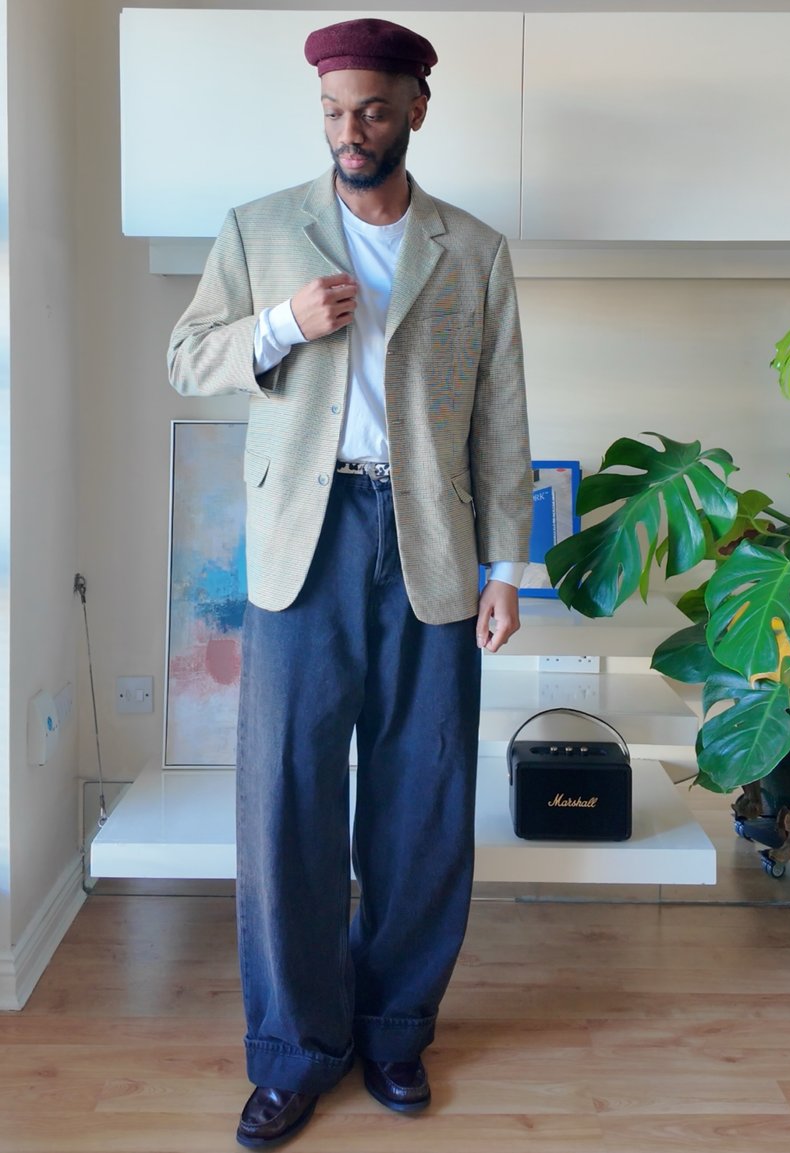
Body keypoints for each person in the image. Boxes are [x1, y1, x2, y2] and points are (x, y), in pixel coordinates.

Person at [167, 17, 531, 1149]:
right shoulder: (259, 228)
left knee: (423, 801)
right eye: (332, 112)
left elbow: (500, 417)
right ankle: (292, 1050)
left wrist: (505, 568)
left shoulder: (472, 249)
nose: (349, 132)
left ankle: (394, 1028)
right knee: (287, 800)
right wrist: (281, 323)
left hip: (430, 544)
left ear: (416, 107)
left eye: (371, 109)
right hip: (303, 541)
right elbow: (187, 355)